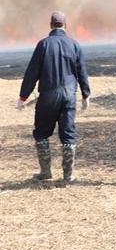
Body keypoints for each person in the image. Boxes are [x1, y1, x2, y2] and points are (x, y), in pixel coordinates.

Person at [16, 11, 91, 184]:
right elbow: (82, 72)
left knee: (41, 133)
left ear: (51, 25)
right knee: (68, 135)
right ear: (65, 25)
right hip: (69, 97)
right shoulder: (74, 45)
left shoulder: (43, 45)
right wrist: (86, 94)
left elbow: (32, 73)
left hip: (48, 97)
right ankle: (68, 175)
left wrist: (23, 96)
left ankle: (45, 172)